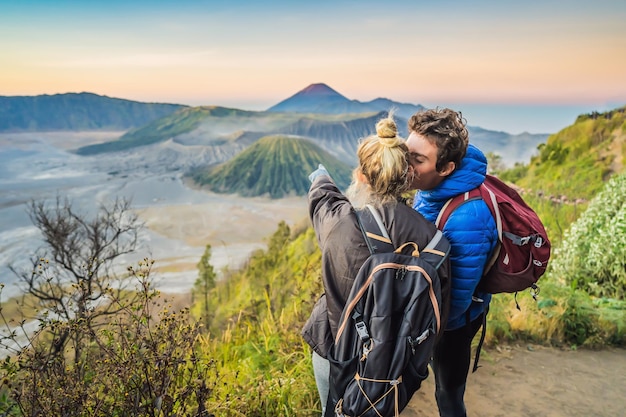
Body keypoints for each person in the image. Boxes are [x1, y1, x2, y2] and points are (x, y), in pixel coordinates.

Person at [302, 113, 451, 415]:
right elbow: (438, 318)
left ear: (361, 176)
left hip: (336, 352)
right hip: (397, 365)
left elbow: (323, 201)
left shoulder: (342, 224)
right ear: (408, 175)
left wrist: (319, 177)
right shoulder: (437, 241)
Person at [405, 107, 499, 417]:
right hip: (431, 314)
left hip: (454, 324)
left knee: (448, 396)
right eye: (407, 154)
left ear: (446, 168)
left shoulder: (468, 218)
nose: (406, 166)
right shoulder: (430, 190)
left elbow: (454, 302)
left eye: (417, 161)